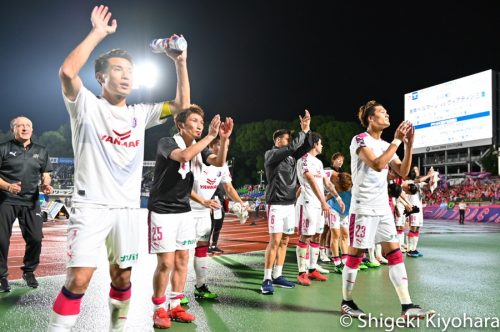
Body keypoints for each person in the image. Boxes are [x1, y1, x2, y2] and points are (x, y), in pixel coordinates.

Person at [48, 5, 190, 331]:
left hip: (127, 209)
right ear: (101, 77)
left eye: (130, 70)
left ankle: (117, 328)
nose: (126, 75)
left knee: (123, 275)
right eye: (118, 69)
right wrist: (98, 33)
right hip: (90, 204)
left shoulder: (142, 112)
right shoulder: (85, 104)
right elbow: (67, 73)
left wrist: (180, 62)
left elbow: (182, 106)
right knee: (80, 277)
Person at [341, 100, 434, 319]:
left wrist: (409, 145)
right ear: (371, 119)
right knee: (356, 255)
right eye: (382, 113)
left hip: (383, 208)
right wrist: (397, 140)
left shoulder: (386, 144)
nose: (387, 115)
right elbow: (377, 164)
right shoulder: (360, 140)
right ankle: (346, 301)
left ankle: (407, 306)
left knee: (394, 253)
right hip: (363, 208)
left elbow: (402, 171)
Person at [148, 105, 233, 329]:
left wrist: (223, 139)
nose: (199, 125)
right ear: (180, 124)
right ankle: (158, 309)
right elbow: (184, 156)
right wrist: (210, 136)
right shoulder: (167, 142)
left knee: (183, 259)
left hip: (183, 210)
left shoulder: (200, 147)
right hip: (162, 210)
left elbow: (218, 162)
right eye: (194, 121)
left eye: (201, 122)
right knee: (165, 263)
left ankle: (175, 305)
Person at [186, 135, 244, 303]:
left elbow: (229, 187)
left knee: (202, 248)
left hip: (205, 211)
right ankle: (177, 292)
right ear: (210, 145)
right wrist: (202, 201)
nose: (222, 148)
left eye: (225, 145)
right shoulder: (197, 158)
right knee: (182, 253)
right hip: (187, 211)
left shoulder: (223, 166)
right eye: (218, 144)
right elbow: (185, 188)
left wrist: (241, 203)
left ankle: (201, 286)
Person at [0, 116, 53, 292]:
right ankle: (1, 277)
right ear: (13, 130)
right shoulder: (3, 149)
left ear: (32, 129)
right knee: (1, 240)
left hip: (31, 201)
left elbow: (46, 172)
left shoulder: (41, 150)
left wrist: (46, 183)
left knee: (36, 238)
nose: (24, 128)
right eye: (20, 125)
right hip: (5, 200)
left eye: (28, 125)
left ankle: (29, 271)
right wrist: (8, 186)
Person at [261, 110, 311, 294]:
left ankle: (278, 275)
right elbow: (293, 147)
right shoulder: (270, 155)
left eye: (289, 139)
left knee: (284, 241)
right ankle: (266, 279)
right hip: (275, 203)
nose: (288, 142)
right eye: (285, 139)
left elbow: (304, 148)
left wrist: (307, 130)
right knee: (274, 241)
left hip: (290, 203)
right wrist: (302, 132)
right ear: (277, 141)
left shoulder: (291, 157)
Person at [295, 132, 345, 286]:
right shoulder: (303, 160)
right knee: (306, 236)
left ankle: (312, 269)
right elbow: (311, 181)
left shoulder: (318, 163)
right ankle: (301, 272)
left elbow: (326, 183)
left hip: (319, 205)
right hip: (308, 203)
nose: (322, 146)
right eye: (321, 143)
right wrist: (324, 202)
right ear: (315, 144)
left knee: (317, 235)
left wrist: (337, 197)